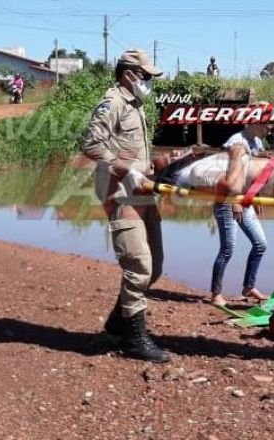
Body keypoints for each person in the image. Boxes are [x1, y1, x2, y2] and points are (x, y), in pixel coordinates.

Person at [81, 49, 170, 363]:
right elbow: (91, 143)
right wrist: (124, 169)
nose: (148, 81)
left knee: (155, 267)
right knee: (138, 265)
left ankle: (117, 324)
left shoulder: (137, 104)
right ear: (129, 73)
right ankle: (133, 338)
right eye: (145, 75)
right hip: (119, 192)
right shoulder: (113, 102)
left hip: (142, 191)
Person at [209, 124, 272, 307]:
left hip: (245, 201)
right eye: (267, 121)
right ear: (253, 122)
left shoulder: (256, 141)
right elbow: (227, 173)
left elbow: (252, 173)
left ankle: (248, 287)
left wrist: (256, 197)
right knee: (228, 249)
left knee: (260, 244)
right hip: (228, 200)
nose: (271, 125)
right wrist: (235, 200)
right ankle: (216, 294)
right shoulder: (236, 141)